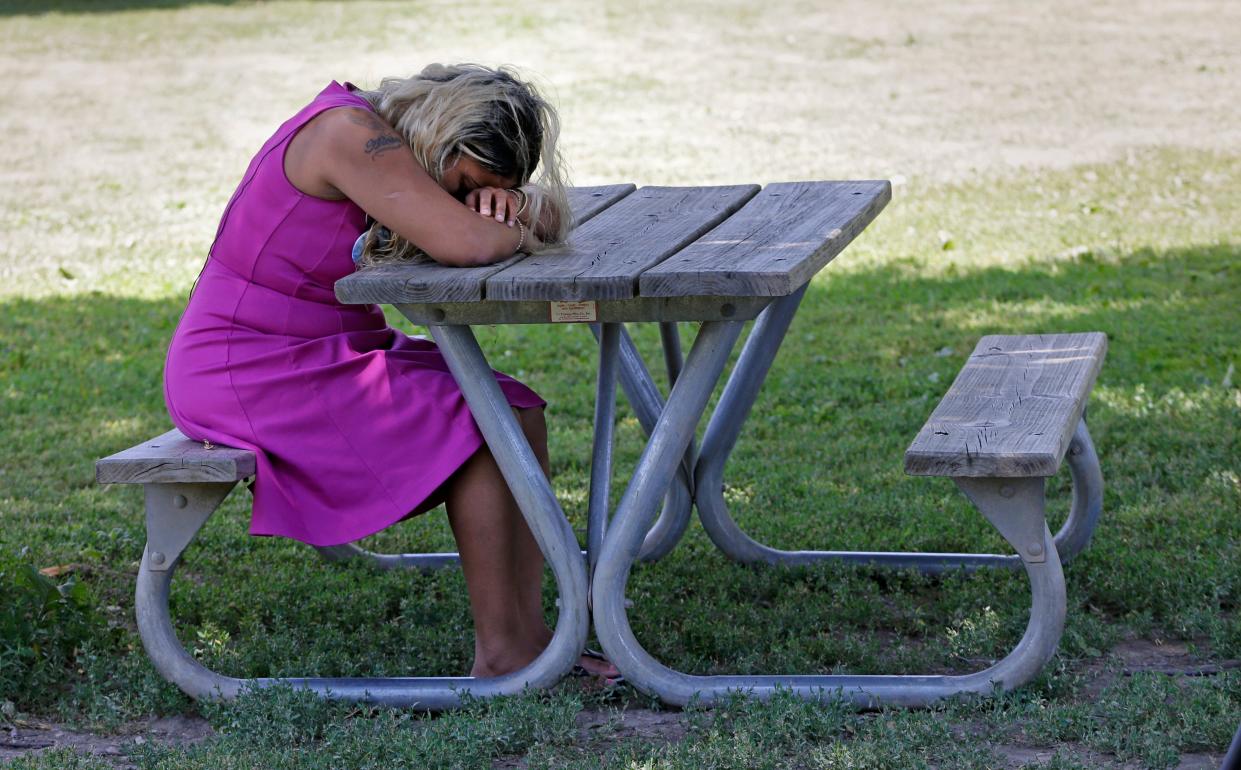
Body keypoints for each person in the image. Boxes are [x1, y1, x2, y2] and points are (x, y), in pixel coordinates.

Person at [163, 63, 618, 682]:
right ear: (444, 138)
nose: (463, 200)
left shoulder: (382, 137)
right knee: (482, 421)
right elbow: (468, 245)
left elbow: (520, 224)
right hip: (247, 365)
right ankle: (504, 653)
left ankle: (532, 636)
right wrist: (492, 223)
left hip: (323, 348)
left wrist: (507, 206)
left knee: (515, 406)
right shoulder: (348, 135)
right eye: (468, 184)